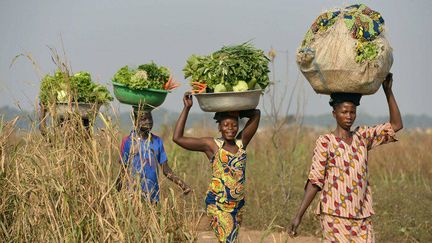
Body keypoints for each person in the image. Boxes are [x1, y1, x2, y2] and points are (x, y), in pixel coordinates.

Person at [290, 73, 403, 242]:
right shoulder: (325, 142)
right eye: (344, 112)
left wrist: (388, 92)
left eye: (352, 112)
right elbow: (315, 181)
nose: (349, 116)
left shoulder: (362, 136)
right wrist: (298, 215)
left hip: (362, 215)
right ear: (334, 113)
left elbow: (396, 125)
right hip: (335, 216)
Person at [173, 92, 261, 242]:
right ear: (219, 127)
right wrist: (187, 108)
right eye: (226, 125)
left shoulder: (241, 143)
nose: (230, 129)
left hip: (238, 205)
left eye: (234, 125)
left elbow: (256, 114)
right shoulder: (212, 145)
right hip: (218, 204)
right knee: (228, 240)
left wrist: (237, 109)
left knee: (229, 240)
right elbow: (178, 138)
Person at [117, 109, 191, 203]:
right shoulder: (128, 141)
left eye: (150, 118)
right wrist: (116, 191)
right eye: (143, 119)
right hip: (132, 195)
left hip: (152, 195)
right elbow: (123, 169)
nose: (148, 121)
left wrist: (182, 184)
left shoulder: (157, 141)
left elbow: (166, 170)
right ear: (135, 121)